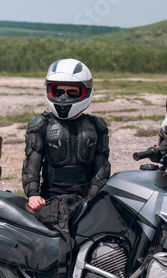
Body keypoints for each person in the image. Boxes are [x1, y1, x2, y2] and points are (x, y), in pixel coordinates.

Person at [22, 58, 111, 214]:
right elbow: (31, 165)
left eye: (72, 92)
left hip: (86, 199)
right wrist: (33, 194)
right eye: (58, 92)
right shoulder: (41, 124)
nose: (64, 98)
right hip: (49, 199)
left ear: (85, 92)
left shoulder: (97, 125)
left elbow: (102, 169)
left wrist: (91, 199)